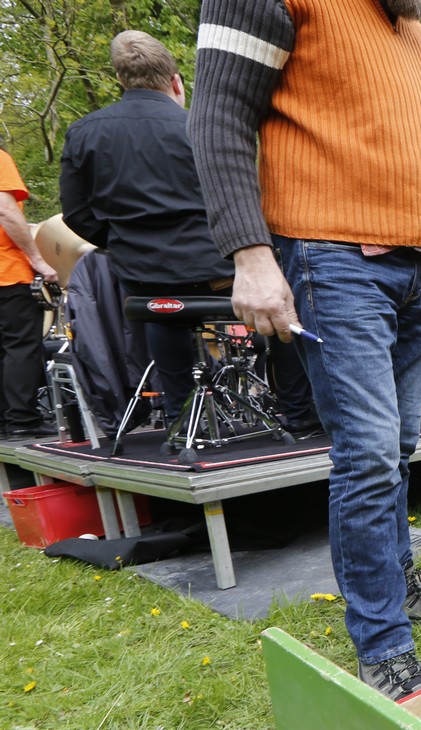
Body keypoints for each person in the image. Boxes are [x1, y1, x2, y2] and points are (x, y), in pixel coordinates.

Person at [189, 0, 421, 699]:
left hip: (416, 263)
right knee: (367, 455)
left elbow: (409, 149)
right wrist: (249, 253)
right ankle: (382, 645)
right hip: (331, 258)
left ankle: (398, 586)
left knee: (397, 449)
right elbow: (217, 115)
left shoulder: (409, 27)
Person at [60, 31, 316, 432]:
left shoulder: (83, 132)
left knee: (163, 313)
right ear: (176, 82)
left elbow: (76, 215)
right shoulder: (207, 130)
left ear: (121, 80)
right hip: (221, 273)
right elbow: (251, 202)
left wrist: (125, 244)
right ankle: (299, 414)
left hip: (145, 277)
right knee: (284, 303)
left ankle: (182, 422)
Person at [0, 144, 58, 440]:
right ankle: (22, 418)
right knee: (20, 345)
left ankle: (4, 421)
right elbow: (5, 209)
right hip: (6, 272)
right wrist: (37, 259)